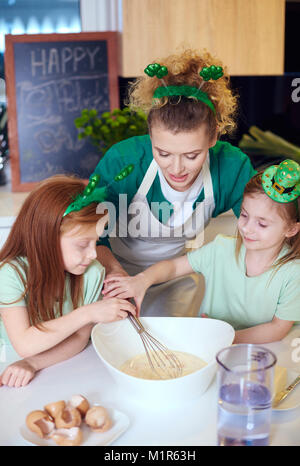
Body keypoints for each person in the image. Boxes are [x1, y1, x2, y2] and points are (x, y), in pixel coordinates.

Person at [91, 49, 256, 317]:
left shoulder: (231, 168)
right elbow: (90, 231)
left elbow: (263, 229)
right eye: (163, 153)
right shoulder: (124, 162)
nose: (177, 169)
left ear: (213, 136)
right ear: (150, 134)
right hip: (110, 274)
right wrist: (115, 275)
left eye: (192, 155)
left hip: (175, 278)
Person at [103, 160, 300, 343]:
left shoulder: (293, 273)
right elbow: (172, 267)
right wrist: (142, 280)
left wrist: (222, 338)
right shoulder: (221, 249)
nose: (247, 228)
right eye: (245, 215)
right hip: (211, 344)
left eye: (262, 224)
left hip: (265, 351)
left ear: (291, 229)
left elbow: (278, 329)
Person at [0, 174, 136, 388]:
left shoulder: (92, 273)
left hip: (58, 365)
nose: (93, 254)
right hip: (7, 361)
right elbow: (24, 344)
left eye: (96, 241)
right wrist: (88, 312)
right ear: (47, 238)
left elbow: (80, 339)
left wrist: (33, 363)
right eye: (83, 245)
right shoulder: (12, 273)